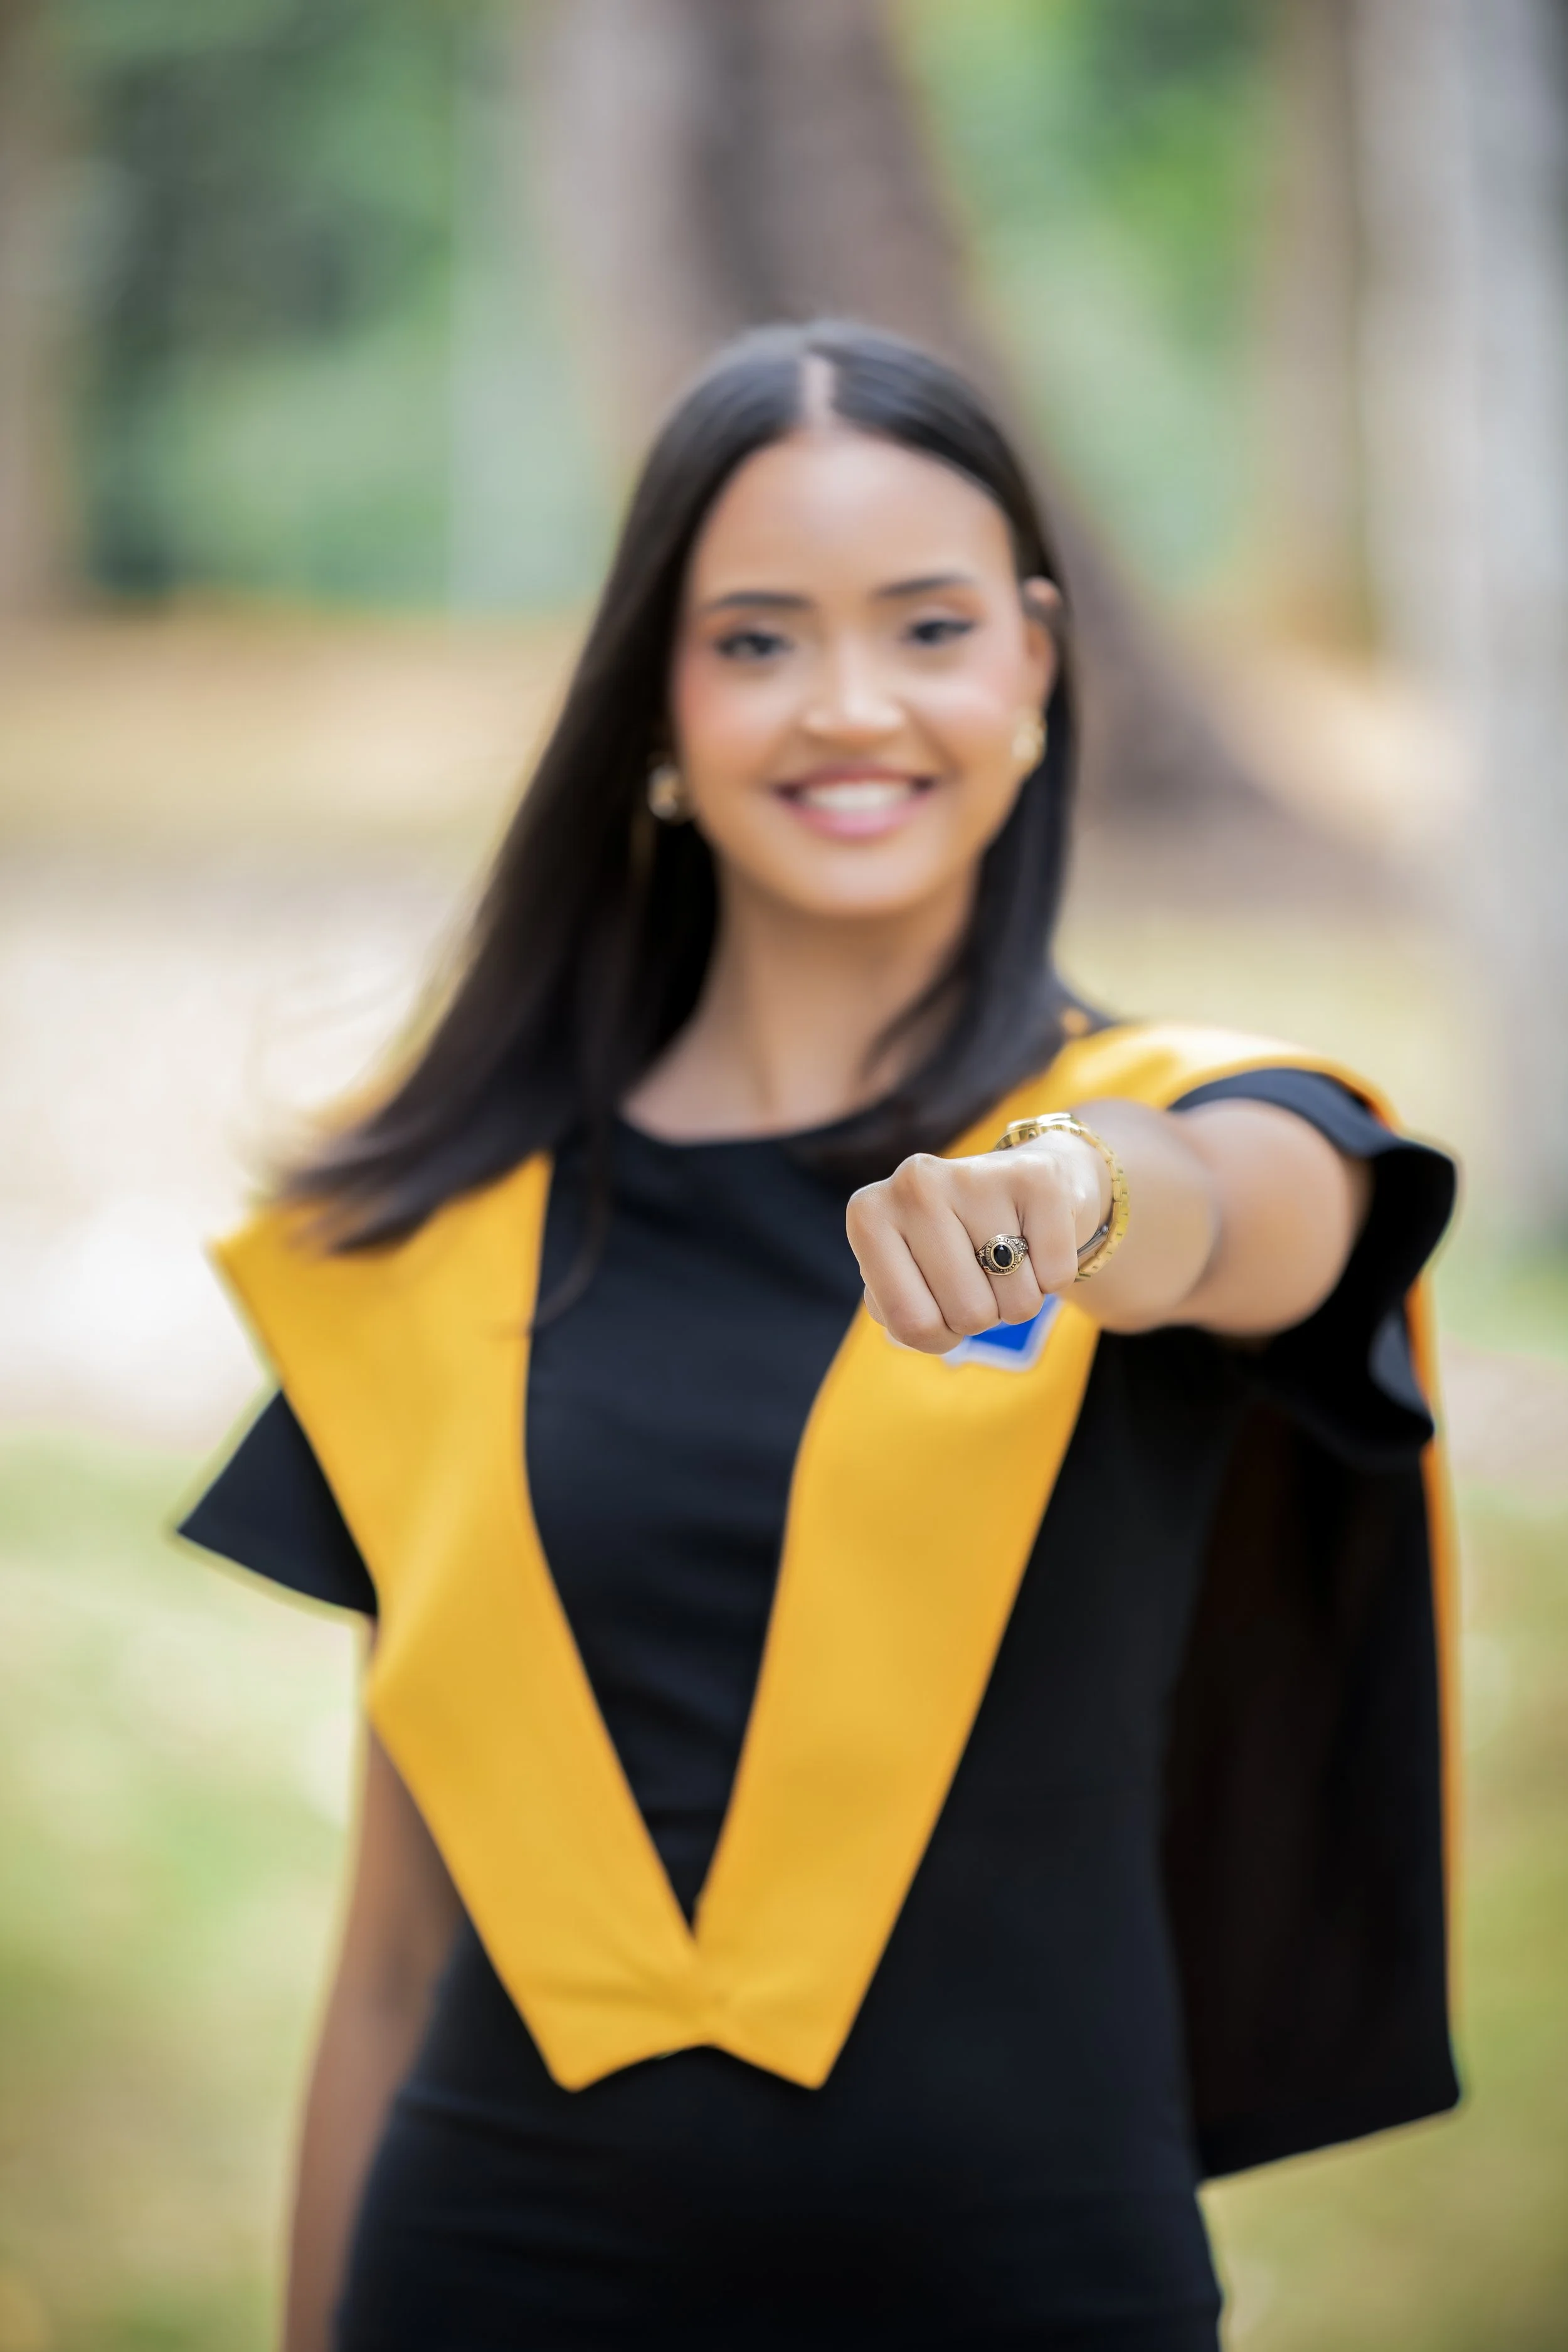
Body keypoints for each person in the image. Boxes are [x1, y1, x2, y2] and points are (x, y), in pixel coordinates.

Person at [179, 321, 1459, 2352]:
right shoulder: (442, 1246)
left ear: (1033, 662)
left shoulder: (1176, 1123)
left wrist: (1079, 1195)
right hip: (494, 2278)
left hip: (1034, 2289)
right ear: (654, 710)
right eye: (757, 640)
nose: (849, 705)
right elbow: (397, 1953)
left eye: (927, 627)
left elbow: (1264, 1222)